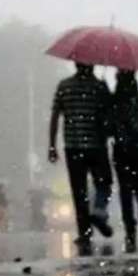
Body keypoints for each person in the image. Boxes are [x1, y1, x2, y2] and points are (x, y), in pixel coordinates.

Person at [48, 62, 113, 245]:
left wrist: (52, 146)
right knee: (104, 182)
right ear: (92, 65)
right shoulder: (99, 87)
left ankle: (85, 232)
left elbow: (55, 116)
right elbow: (109, 115)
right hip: (96, 146)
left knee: (79, 190)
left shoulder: (64, 86)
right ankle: (99, 211)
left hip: (73, 147)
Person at [109, 70, 138, 253]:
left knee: (125, 189)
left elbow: (108, 128)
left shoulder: (115, 103)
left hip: (122, 151)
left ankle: (130, 226)